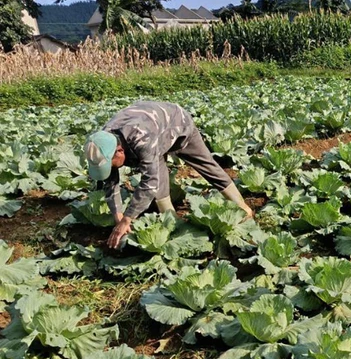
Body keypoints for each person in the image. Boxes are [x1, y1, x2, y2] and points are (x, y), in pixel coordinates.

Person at [84, 101, 253, 249]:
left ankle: (243, 208)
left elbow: (149, 183)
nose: (109, 169)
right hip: (152, 127)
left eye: (109, 165)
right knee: (157, 171)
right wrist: (119, 219)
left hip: (177, 124)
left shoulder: (141, 139)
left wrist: (127, 219)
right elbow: (110, 182)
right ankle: (173, 224)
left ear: (120, 151)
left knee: (205, 164)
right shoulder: (102, 142)